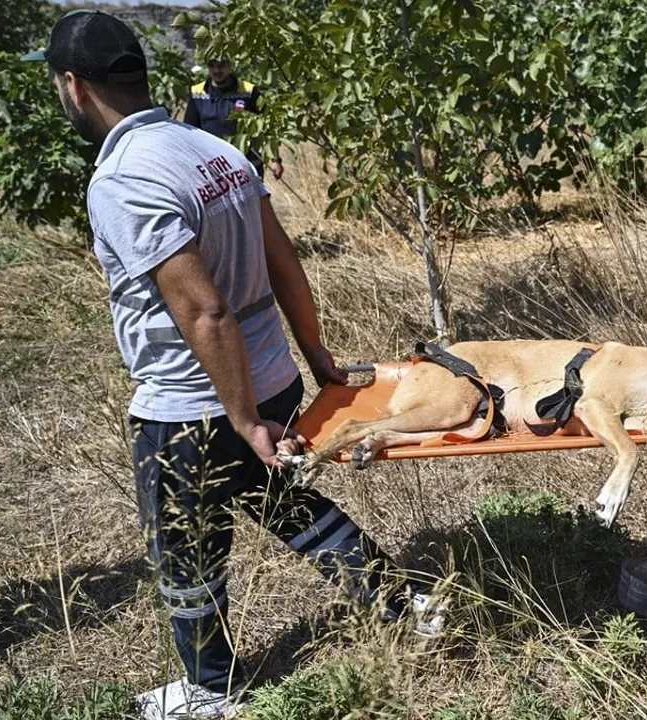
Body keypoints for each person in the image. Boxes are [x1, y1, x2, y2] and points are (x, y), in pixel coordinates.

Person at [22, 11, 442, 718]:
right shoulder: (209, 147)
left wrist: (242, 419)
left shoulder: (122, 178)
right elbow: (284, 261)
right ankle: (404, 603)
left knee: (186, 552)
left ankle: (211, 689)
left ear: (74, 86)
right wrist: (314, 359)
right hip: (271, 374)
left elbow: (204, 312)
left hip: (194, 403)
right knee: (285, 502)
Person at [184, 57, 283, 181]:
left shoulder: (249, 91)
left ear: (230, 66)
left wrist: (275, 159)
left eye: (221, 65)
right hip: (212, 165)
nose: (216, 70)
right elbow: (189, 132)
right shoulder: (197, 93)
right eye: (212, 65)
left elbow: (267, 126)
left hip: (246, 163)